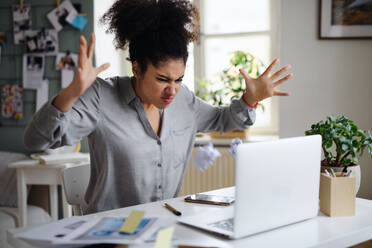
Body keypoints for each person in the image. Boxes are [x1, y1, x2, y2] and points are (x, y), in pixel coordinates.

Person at [24, 0, 293, 214]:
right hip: (109, 233)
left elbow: (223, 120)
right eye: (163, 79)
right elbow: (35, 142)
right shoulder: (101, 98)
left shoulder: (183, 101)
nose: (172, 90)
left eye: (179, 80)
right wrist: (72, 93)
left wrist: (250, 100)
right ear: (136, 67)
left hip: (162, 229)